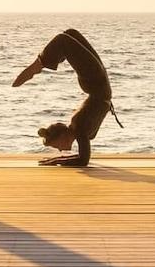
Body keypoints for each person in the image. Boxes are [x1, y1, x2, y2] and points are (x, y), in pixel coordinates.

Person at [11, 28, 120, 166]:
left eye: (57, 146)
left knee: (63, 40)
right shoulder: (79, 128)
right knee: (70, 34)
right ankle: (50, 59)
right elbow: (82, 158)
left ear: (62, 136)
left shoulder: (79, 126)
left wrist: (55, 161)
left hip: (94, 80)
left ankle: (40, 63)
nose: (60, 150)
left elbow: (82, 161)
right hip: (96, 82)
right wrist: (56, 160)